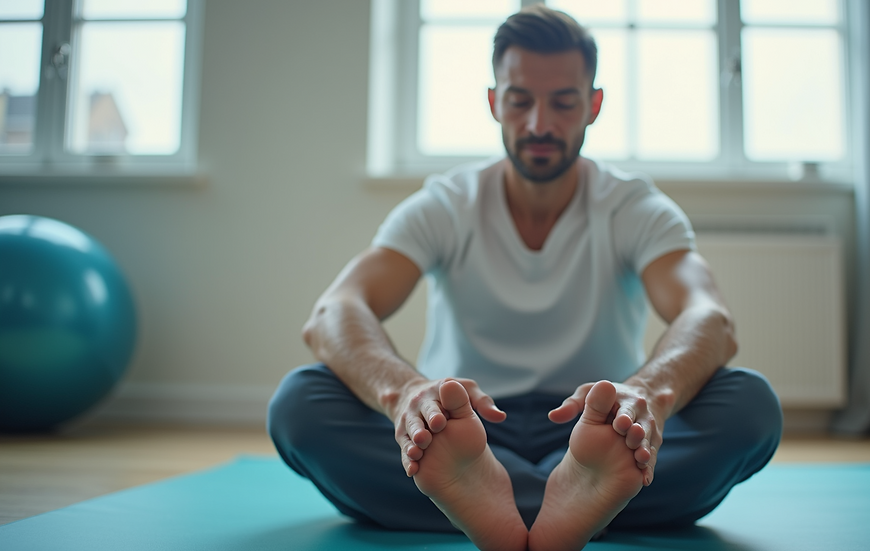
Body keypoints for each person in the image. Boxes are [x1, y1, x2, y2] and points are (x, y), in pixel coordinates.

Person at [268, 5, 782, 551]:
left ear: (594, 105)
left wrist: (647, 396)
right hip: (466, 434)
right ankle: (576, 503)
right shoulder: (448, 203)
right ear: (495, 103)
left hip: (598, 433)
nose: (540, 123)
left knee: (749, 405)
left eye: (563, 102)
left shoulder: (634, 206)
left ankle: (500, 501)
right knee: (301, 403)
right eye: (520, 101)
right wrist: (406, 396)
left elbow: (708, 316)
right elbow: (337, 309)